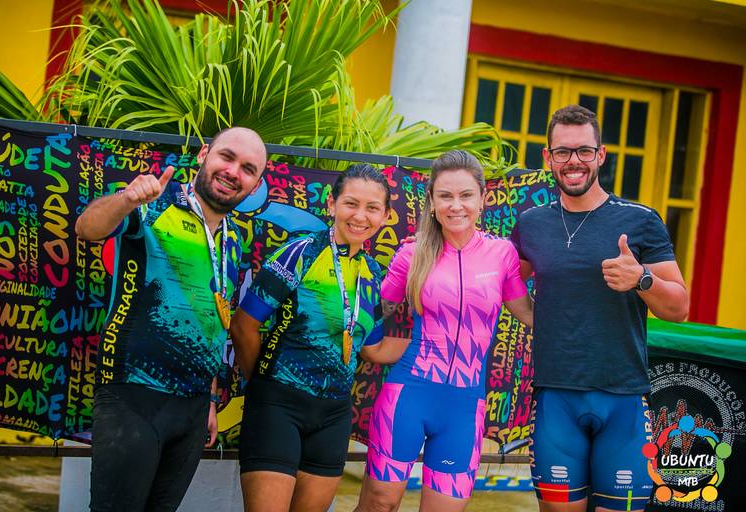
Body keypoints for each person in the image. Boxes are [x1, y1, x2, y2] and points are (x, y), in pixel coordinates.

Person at [75, 127, 268, 511]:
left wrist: (210, 399)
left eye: (248, 168)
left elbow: (213, 320)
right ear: (203, 154)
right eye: (226, 157)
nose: (233, 172)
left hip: (192, 410)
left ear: (255, 184)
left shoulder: (233, 239)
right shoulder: (154, 204)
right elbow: (87, 228)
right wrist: (126, 200)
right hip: (134, 396)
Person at [510, 105, 689, 512]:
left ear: (601, 155)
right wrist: (535, 316)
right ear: (548, 157)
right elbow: (505, 280)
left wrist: (642, 278)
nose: (573, 161)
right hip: (556, 397)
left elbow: (678, 307)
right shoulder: (531, 223)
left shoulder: (641, 221)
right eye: (562, 152)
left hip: (623, 399)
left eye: (584, 151)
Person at [356, 150, 534, 512]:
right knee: (379, 505)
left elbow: (530, 314)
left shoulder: (502, 255)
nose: (456, 206)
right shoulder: (412, 254)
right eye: (445, 196)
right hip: (408, 396)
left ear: (482, 199)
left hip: (464, 407)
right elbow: (373, 313)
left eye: (466, 195)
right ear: (432, 202)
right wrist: (371, 347)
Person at [229, 164, 393, 512]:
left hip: (334, 415)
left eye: (372, 208)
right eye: (351, 203)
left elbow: (372, 348)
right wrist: (263, 385)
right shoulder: (300, 253)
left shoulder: (372, 274)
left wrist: (433, 347)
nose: (360, 216)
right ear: (332, 204)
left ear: (385, 215)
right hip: (278, 405)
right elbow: (243, 325)